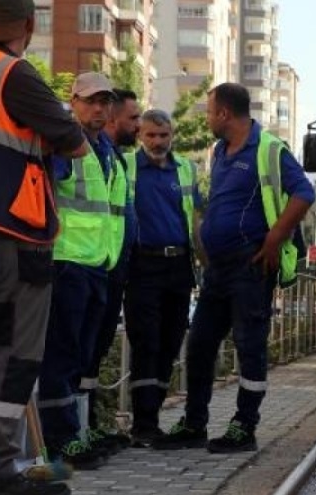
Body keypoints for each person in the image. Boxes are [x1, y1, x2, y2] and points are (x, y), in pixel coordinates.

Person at [152, 83, 314, 453]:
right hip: (219, 269)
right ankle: (194, 423)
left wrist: (275, 238)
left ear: (225, 113)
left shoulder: (269, 148)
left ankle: (244, 426)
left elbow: (304, 192)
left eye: (210, 112)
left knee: (249, 345)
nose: (207, 119)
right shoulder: (221, 152)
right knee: (200, 344)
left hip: (250, 264)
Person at [0, 1, 89, 493]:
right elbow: (75, 142)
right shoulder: (14, 74)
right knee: (13, 353)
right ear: (29, 24)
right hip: (11, 237)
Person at [37, 72, 127, 470]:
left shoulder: (106, 150)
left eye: (105, 101)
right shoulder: (65, 146)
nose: (98, 108)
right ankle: (60, 441)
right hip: (66, 262)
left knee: (81, 355)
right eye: (90, 100)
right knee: (61, 354)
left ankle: (75, 433)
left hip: (97, 265)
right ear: (73, 102)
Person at [124, 109, 202, 447]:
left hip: (179, 266)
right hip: (142, 265)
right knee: (146, 343)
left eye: (164, 135)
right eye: (151, 135)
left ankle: (152, 418)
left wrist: (204, 265)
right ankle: (143, 424)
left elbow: (196, 220)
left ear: (172, 135)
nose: (158, 142)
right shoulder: (126, 166)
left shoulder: (186, 169)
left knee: (170, 343)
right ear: (140, 135)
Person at [79, 88, 141, 452]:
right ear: (114, 119)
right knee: (79, 350)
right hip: (88, 263)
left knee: (96, 349)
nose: (138, 125)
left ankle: (88, 425)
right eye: (133, 118)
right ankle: (76, 431)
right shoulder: (89, 153)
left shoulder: (114, 157)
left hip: (111, 265)